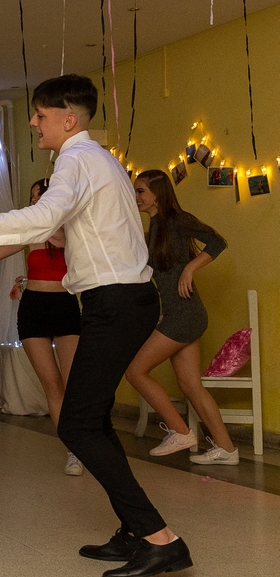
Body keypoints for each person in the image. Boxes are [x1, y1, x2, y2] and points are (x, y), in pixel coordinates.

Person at [0, 74, 193, 577]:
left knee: (75, 423)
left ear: (68, 119)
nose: (33, 122)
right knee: (88, 420)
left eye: (40, 115)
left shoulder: (77, 160)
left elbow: (38, 219)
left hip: (116, 302)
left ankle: (160, 539)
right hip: (117, 301)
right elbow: (48, 227)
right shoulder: (97, 160)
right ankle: (135, 529)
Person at [0, 178, 85, 476]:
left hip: (66, 308)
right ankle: (73, 449)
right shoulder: (30, 230)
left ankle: (86, 442)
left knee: (74, 382)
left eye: (38, 196)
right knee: (51, 383)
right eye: (32, 197)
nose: (33, 202)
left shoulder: (74, 230)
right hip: (34, 309)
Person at [126, 169, 236, 465]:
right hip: (183, 313)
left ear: (157, 195)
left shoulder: (175, 219)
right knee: (190, 385)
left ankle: (180, 431)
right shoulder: (155, 228)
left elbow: (218, 242)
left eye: (141, 191)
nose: (136, 197)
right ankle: (227, 449)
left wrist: (190, 268)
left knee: (135, 371)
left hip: (185, 314)